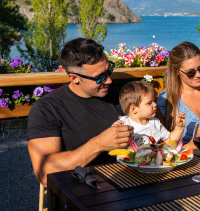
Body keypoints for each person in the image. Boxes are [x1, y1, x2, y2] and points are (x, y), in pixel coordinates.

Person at [27, 38, 133, 187]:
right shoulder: (47, 108)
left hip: (131, 185)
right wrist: (98, 144)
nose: (109, 80)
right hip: (83, 195)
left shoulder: (120, 98)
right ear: (74, 78)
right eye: (100, 77)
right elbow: (45, 174)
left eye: (109, 70)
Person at [156, 42, 200, 149]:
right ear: (177, 72)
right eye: (190, 72)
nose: (199, 75)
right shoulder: (166, 101)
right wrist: (188, 147)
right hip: (186, 160)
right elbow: (161, 146)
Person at [112, 81, 186, 146]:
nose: (155, 104)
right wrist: (113, 131)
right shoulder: (123, 123)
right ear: (133, 108)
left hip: (152, 161)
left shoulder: (155, 123)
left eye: (154, 101)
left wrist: (179, 128)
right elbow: (114, 145)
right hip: (128, 161)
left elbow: (169, 141)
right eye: (149, 103)